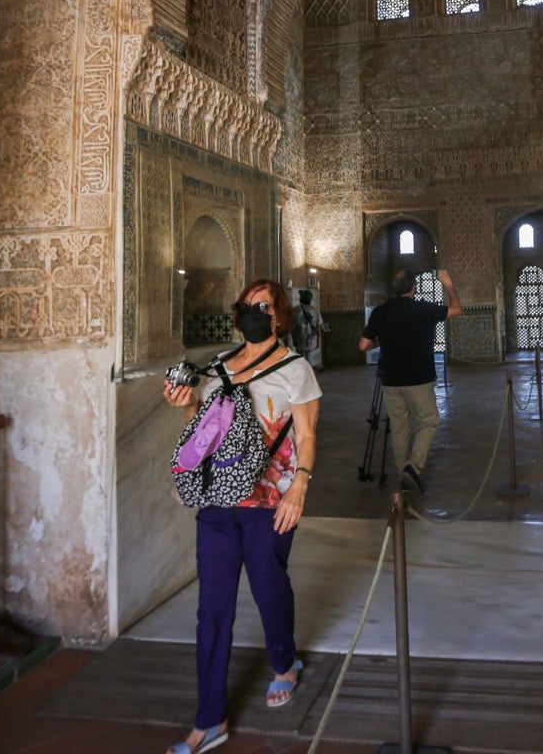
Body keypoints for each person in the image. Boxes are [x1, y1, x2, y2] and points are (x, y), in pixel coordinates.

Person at [163, 278, 320, 754]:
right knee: (212, 609)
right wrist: (185, 403)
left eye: (264, 306)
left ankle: (284, 662)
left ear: (279, 316)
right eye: (248, 305)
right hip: (218, 500)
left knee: (269, 587)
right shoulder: (215, 368)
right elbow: (203, 431)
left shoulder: (295, 369)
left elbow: (308, 437)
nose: (254, 312)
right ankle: (209, 719)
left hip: (270, 498)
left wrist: (299, 488)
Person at [359, 268, 461, 492]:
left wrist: (381, 341)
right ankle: (413, 468)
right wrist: (448, 285)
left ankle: (403, 476)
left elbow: (363, 345)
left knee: (399, 428)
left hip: (390, 380)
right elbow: (456, 309)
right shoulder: (424, 309)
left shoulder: (379, 312)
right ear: (414, 287)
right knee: (429, 420)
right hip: (419, 378)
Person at [292, 288, 324, 371]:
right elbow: (319, 326)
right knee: (310, 360)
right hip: (311, 339)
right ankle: (309, 376)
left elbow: (290, 325)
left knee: (300, 360)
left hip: (299, 338)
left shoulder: (295, 310)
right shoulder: (315, 310)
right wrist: (318, 341)